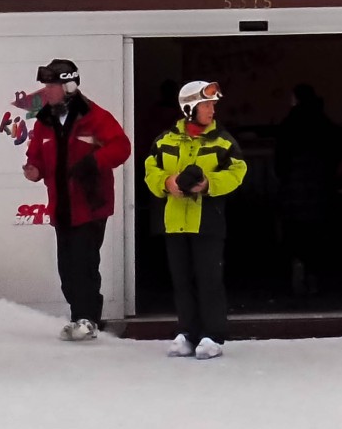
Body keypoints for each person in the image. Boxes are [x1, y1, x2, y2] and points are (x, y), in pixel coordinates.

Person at [20, 57, 132, 341]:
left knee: (84, 265)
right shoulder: (44, 120)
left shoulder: (96, 116)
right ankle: (78, 316)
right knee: (67, 269)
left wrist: (94, 161)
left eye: (52, 85)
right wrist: (33, 170)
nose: (47, 91)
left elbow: (121, 147)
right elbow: (36, 156)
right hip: (62, 207)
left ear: (69, 86)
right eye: (46, 85)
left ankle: (88, 319)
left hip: (91, 205)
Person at [143, 79, 247, 360]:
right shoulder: (165, 140)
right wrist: (167, 182)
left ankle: (212, 336)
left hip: (208, 222)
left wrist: (208, 184)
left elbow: (238, 172)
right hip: (174, 221)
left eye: (213, 105)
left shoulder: (223, 141)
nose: (212, 110)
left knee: (209, 279)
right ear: (189, 108)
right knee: (181, 280)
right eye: (207, 105)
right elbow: (150, 170)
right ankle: (188, 333)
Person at [274, 83, 341, 298]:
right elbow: (335, 152)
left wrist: (284, 177)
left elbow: (280, 159)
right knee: (318, 231)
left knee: (294, 230)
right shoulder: (323, 121)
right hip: (320, 185)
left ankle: (298, 267)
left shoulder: (289, 123)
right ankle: (315, 275)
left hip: (294, 185)